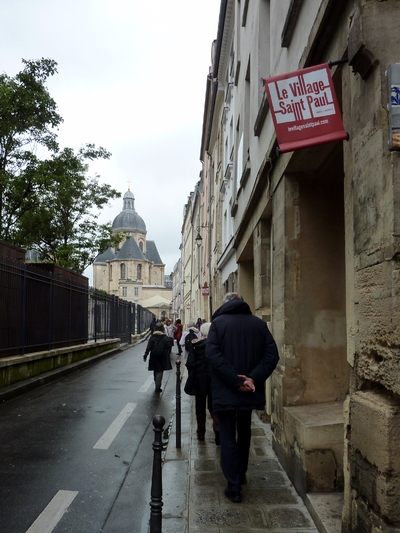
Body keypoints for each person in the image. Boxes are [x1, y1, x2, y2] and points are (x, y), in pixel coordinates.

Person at [206, 292, 279, 503]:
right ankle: (241, 473)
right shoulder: (258, 324)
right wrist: (252, 379)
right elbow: (272, 356)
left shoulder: (218, 324)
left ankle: (234, 485)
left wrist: (236, 380)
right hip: (249, 390)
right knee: (245, 433)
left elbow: (213, 355)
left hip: (226, 390)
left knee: (228, 436)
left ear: (225, 304)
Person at [184, 322, 219, 443]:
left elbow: (190, 363)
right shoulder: (217, 345)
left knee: (200, 407)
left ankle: (200, 432)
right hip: (214, 379)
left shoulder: (196, 345)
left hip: (199, 379)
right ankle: (218, 428)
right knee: (214, 406)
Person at [143, 321, 174, 392]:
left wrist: (145, 355)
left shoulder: (152, 337)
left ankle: (156, 382)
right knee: (160, 370)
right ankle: (158, 385)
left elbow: (149, 347)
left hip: (154, 355)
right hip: (163, 356)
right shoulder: (165, 337)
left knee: (155, 369)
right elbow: (169, 346)